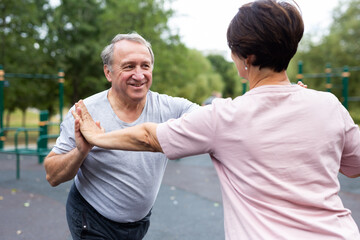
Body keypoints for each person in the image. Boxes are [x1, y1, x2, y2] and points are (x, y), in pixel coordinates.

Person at [73, 0, 360, 239]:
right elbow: (353, 166)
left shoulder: (224, 117)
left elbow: (149, 136)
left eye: (232, 49)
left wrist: (97, 137)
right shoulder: (329, 105)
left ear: (245, 57)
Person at [43, 33, 198, 239]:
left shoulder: (169, 107)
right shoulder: (85, 113)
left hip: (139, 223)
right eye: (129, 66)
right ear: (108, 72)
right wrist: (81, 151)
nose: (139, 74)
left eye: (145, 65)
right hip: (92, 219)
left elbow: (213, 118)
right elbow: (52, 176)